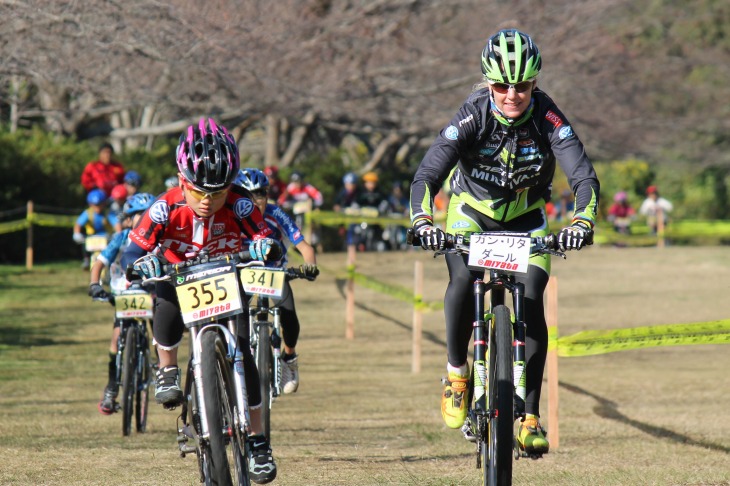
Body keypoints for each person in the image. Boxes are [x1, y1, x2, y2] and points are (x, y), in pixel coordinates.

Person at [409, 29, 600, 455]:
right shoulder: (472, 114)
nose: (512, 94)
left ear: (535, 82)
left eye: (523, 85)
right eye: (500, 85)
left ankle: (530, 414)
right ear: (487, 82)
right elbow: (427, 175)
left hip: (526, 219)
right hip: (471, 216)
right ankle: (458, 373)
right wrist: (423, 220)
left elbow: (583, 175)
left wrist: (582, 221)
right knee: (461, 283)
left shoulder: (548, 117)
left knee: (531, 298)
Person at [119, 118, 279, 484]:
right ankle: (168, 369)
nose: (208, 201)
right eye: (198, 192)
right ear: (181, 181)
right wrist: (144, 262)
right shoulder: (163, 208)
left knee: (244, 351)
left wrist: (263, 246)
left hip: (227, 276)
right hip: (179, 278)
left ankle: (257, 441)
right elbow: (131, 253)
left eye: (217, 193)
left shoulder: (239, 205)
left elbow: (264, 237)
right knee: (164, 300)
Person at [234, 168, 320, 394]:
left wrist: (310, 265)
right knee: (235, 320)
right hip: (242, 276)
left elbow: (304, 247)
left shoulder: (276, 214)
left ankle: (289, 358)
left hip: (274, 275)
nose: (255, 201)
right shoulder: (231, 217)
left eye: (260, 194)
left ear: (267, 196)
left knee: (290, 317)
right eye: (247, 196)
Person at [87, 192, 156, 415]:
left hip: (150, 292)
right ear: (128, 219)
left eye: (149, 214)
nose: (145, 219)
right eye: (140, 215)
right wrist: (94, 284)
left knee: (160, 328)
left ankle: (161, 366)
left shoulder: (160, 236)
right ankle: (111, 387)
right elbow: (99, 263)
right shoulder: (122, 237)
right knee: (116, 339)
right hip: (123, 294)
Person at [73, 189, 120, 269]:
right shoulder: (88, 213)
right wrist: (77, 234)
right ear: (90, 204)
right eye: (95, 205)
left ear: (104, 203)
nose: (97, 207)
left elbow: (116, 223)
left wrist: (118, 233)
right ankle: (86, 259)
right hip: (91, 237)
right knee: (84, 244)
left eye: (100, 204)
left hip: (106, 237)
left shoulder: (108, 213)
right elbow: (78, 224)